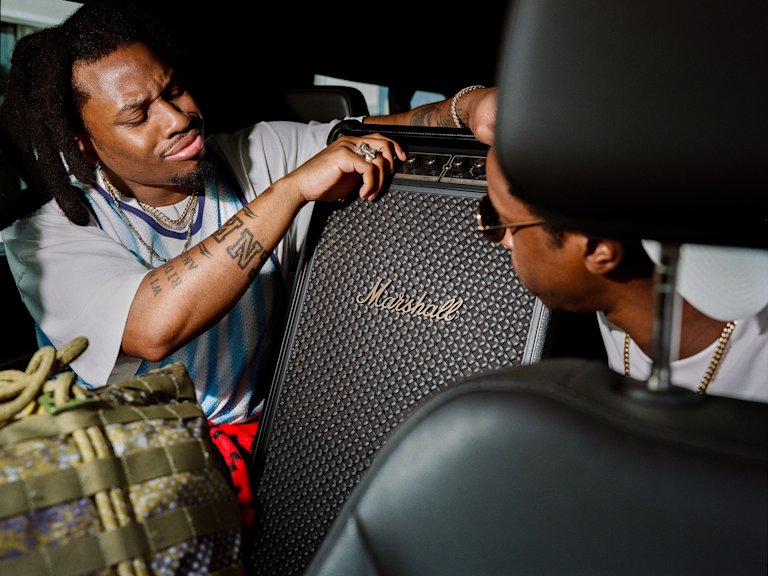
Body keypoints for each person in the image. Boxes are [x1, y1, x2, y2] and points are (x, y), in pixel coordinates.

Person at [0, 0, 496, 528]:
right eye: (139, 115)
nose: (177, 119)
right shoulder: (47, 231)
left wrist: (471, 107)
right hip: (131, 475)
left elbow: (406, 125)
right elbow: (151, 325)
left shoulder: (255, 151)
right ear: (85, 144)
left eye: (173, 90)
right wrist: (292, 190)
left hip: (270, 447)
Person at [480, 146, 768, 402]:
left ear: (597, 250)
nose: (495, 237)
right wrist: (468, 105)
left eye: (500, 219)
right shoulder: (624, 275)